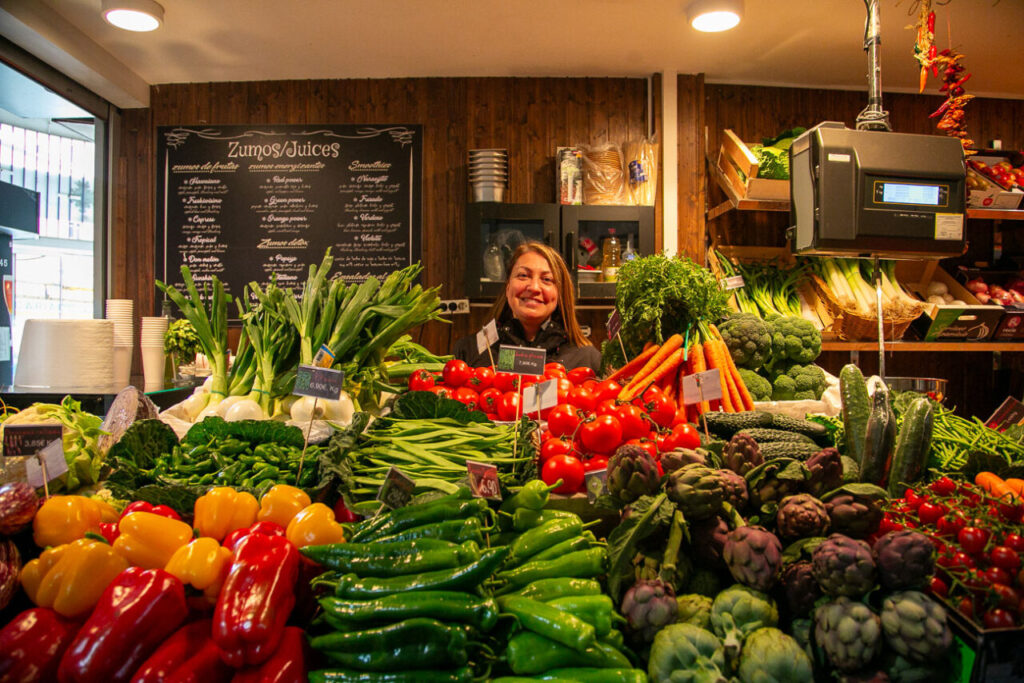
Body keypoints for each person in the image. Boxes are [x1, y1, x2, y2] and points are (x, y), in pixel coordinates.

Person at [453, 241, 602, 374]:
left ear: (560, 293)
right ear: (508, 287)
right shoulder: (469, 351)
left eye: (547, 279)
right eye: (523, 275)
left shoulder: (587, 359)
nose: (534, 287)